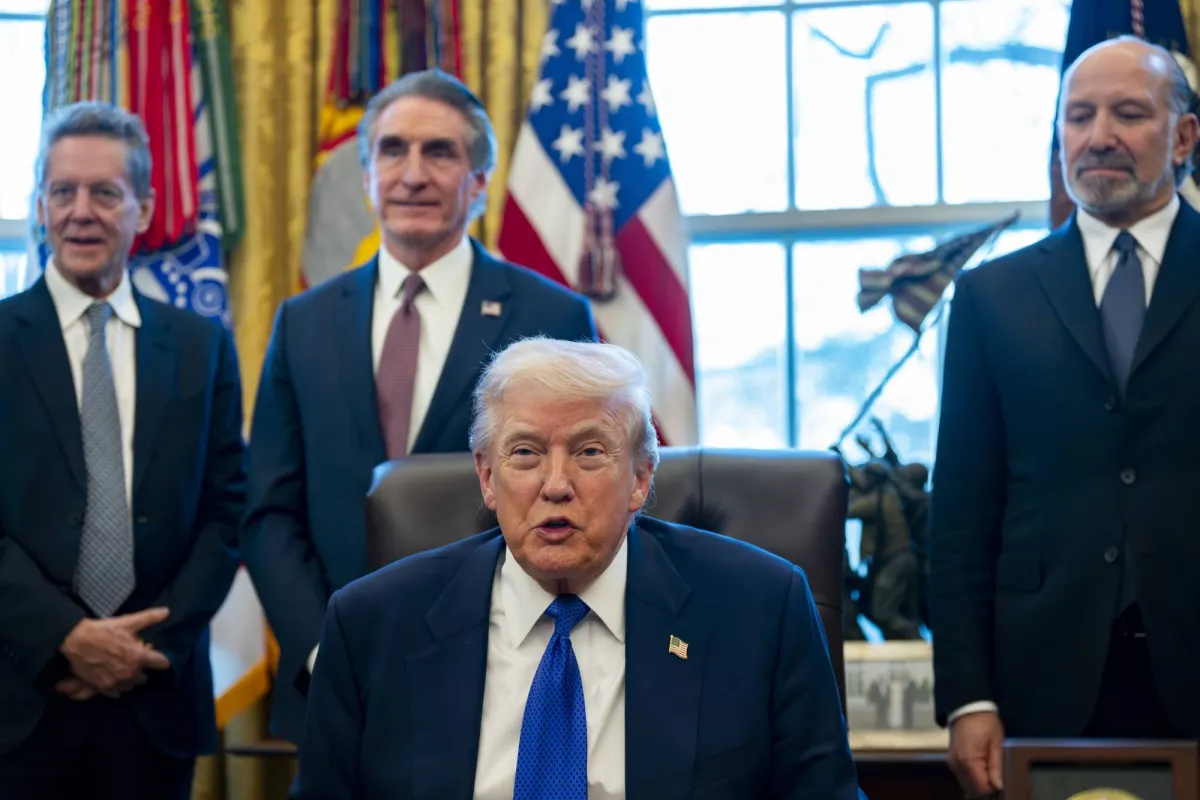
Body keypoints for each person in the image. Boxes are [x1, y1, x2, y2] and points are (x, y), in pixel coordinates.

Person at [289, 337, 863, 799]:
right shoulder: (371, 625)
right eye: (525, 453)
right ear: (486, 477)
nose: (556, 485)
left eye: (589, 452)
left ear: (640, 477)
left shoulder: (760, 610)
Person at [242, 69, 597, 744]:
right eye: (392, 150)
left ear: (479, 180)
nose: (412, 174)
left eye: (439, 152)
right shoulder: (303, 322)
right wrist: (325, 650)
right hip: (333, 685)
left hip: (504, 677)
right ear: (367, 176)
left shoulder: (552, 317)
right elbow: (268, 513)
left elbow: (577, 502)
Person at [930, 36, 1200, 797]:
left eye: (1128, 114)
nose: (1099, 136)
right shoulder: (991, 298)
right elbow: (961, 517)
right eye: (1079, 116)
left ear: (1183, 137)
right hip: (1043, 679)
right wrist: (968, 697)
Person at [0, 102, 246, 799]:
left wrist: (142, 649)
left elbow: (228, 511)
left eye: (105, 193)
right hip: (21, 700)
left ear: (144, 209)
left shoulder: (202, 346)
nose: (81, 212)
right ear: (40, 206)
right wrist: (65, 637)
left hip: (155, 698)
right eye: (63, 192)